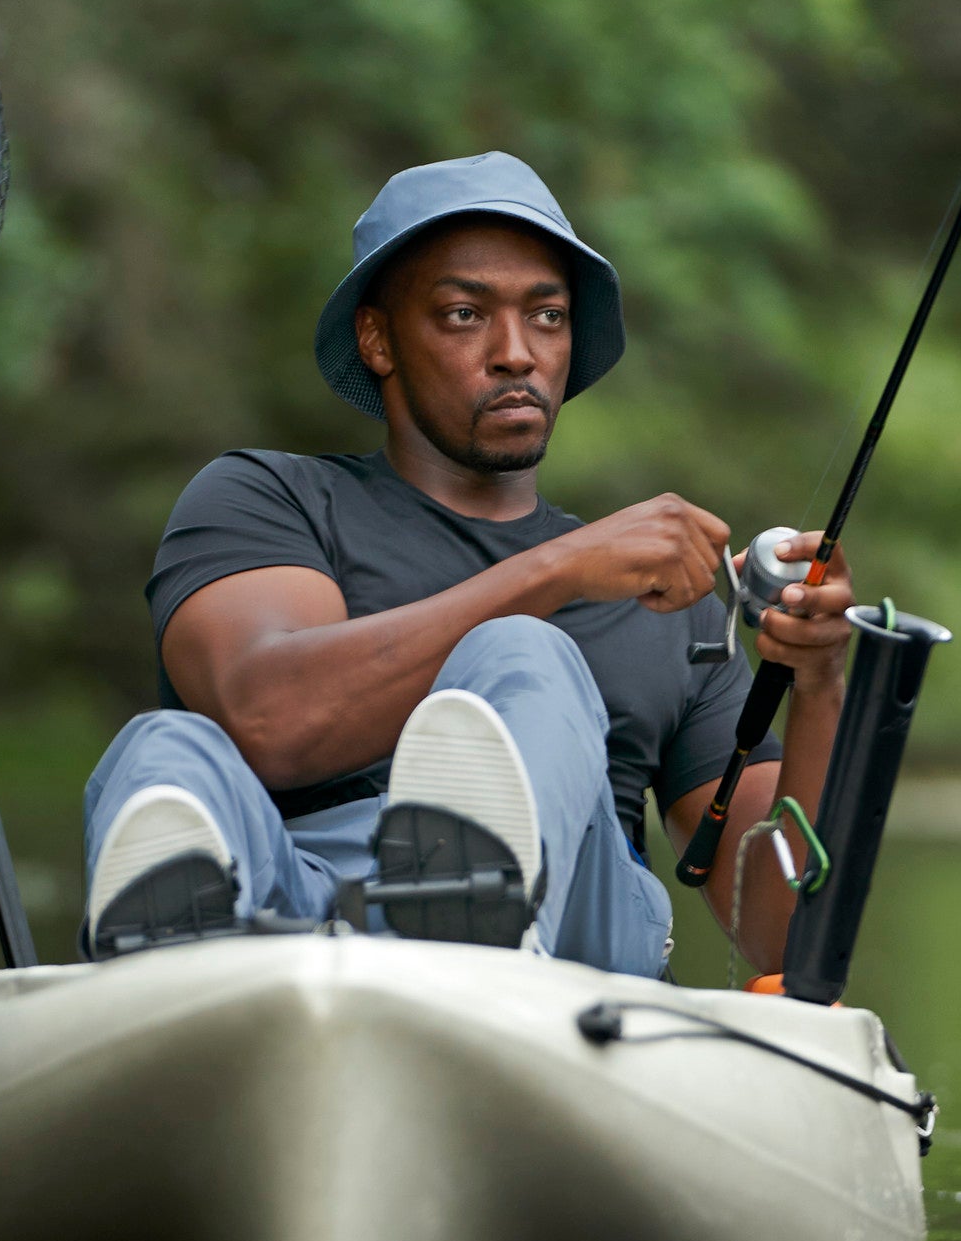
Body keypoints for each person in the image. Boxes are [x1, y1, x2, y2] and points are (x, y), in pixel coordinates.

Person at [82, 153, 854, 976]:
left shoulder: (671, 601)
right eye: (462, 314)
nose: (516, 352)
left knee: (525, 658)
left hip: (576, 945)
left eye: (548, 316)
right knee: (159, 750)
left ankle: (481, 926)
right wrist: (557, 571)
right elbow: (268, 719)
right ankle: (175, 986)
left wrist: (818, 687)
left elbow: (780, 937)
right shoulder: (271, 498)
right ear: (377, 338)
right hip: (303, 919)